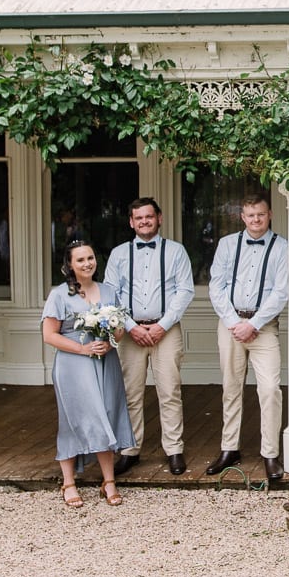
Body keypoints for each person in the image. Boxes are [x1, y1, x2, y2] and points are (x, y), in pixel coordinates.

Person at [103, 197, 195, 476]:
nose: (144, 221)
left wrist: (162, 325)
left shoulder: (176, 251)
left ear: (159, 218)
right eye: (139, 218)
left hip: (165, 331)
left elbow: (185, 291)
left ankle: (174, 449)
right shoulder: (119, 253)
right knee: (131, 393)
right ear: (131, 222)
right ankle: (130, 449)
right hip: (131, 333)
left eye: (149, 217)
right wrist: (131, 326)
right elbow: (110, 292)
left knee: (169, 391)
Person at [42, 240, 135, 508]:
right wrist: (83, 349)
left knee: (105, 413)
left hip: (105, 361)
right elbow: (49, 335)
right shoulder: (60, 295)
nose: (87, 263)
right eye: (80, 260)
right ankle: (69, 483)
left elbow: (119, 329)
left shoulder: (108, 291)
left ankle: (109, 481)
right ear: (70, 265)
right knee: (75, 418)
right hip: (74, 364)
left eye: (91, 258)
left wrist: (111, 339)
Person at [206, 192, 289, 481]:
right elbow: (216, 286)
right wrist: (234, 322)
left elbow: (281, 292)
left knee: (269, 389)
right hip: (230, 326)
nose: (256, 220)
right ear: (242, 217)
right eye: (250, 215)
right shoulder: (227, 244)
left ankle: (270, 453)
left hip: (263, 327)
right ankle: (230, 448)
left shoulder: (283, 247)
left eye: (261, 214)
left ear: (270, 215)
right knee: (231, 388)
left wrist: (253, 323)